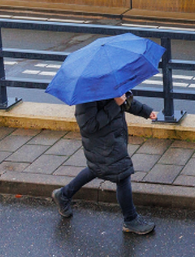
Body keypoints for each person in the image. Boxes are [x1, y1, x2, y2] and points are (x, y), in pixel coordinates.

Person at [51, 92, 158, 236]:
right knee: (122, 174)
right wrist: (115, 104)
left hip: (114, 137)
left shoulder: (111, 82)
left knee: (96, 169)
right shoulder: (87, 94)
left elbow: (125, 100)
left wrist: (146, 111)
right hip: (102, 143)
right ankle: (130, 220)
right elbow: (88, 125)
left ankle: (63, 195)